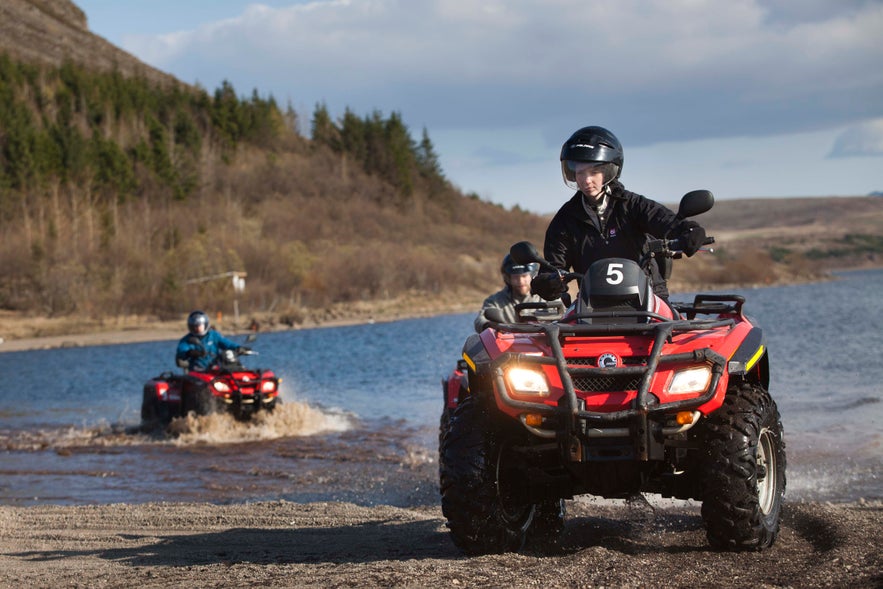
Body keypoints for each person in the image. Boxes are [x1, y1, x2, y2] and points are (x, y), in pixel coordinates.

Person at [535, 125, 707, 301]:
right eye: (580, 173)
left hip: (648, 299)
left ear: (608, 171)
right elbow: (553, 266)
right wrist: (547, 282)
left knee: (667, 324)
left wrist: (688, 230)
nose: (586, 180)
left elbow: (664, 221)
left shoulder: (632, 205)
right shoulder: (565, 219)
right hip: (592, 305)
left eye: (594, 172)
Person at [474, 254, 543, 332]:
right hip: (507, 342)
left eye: (524, 276)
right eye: (516, 277)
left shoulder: (546, 298)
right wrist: (489, 326)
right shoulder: (495, 301)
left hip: (542, 342)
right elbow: (480, 320)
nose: (520, 281)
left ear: (533, 275)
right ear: (508, 278)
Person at [176, 310, 245, 371]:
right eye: (194, 326)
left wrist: (239, 348)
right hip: (197, 370)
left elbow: (228, 344)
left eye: (199, 325)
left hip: (215, 368)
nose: (197, 328)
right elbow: (181, 350)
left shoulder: (214, 335)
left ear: (205, 324)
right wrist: (190, 352)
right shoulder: (187, 339)